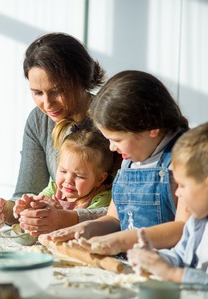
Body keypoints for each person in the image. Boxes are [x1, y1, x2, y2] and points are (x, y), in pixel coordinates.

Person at [39, 70, 191, 255]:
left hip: (167, 267)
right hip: (132, 262)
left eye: (117, 140)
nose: (112, 148)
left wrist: (119, 241)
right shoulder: (130, 160)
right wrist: (82, 229)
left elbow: (183, 227)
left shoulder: (185, 158)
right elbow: (114, 219)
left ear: (151, 128)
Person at [0, 32, 108, 233]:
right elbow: (28, 192)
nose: (47, 105)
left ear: (82, 79)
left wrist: (67, 218)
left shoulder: (111, 119)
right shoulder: (39, 120)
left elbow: (126, 211)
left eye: (57, 90)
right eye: (37, 93)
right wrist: (7, 210)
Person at [127, 122, 208, 284]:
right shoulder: (196, 222)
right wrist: (154, 258)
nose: (178, 192)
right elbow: (179, 257)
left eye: (183, 185)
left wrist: (172, 274)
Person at [13, 129, 115, 234]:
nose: (68, 181)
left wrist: (60, 214)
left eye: (79, 176)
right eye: (63, 171)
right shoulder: (54, 187)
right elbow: (40, 201)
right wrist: (29, 205)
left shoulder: (102, 198)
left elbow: (90, 226)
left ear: (100, 179)